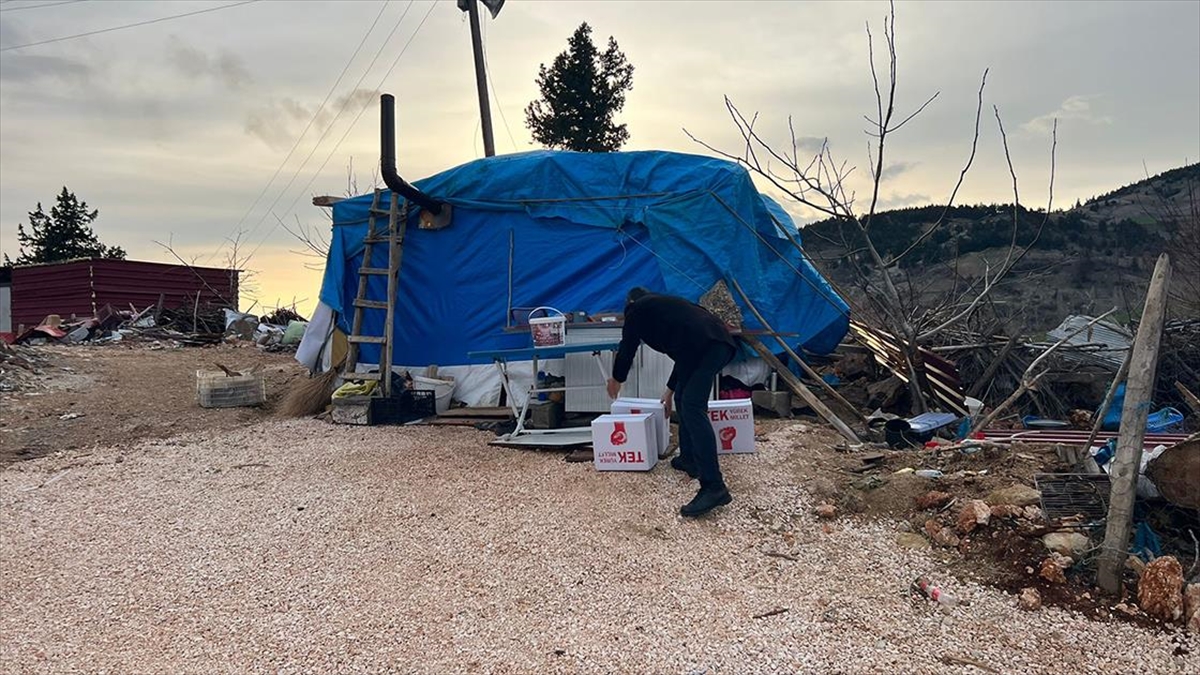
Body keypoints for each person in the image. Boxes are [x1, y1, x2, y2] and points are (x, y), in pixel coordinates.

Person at [606, 287, 738, 517]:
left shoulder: (637, 310)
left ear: (630, 304)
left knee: (693, 406)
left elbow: (627, 346)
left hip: (709, 348)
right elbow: (685, 354)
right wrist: (668, 391)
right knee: (681, 397)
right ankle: (689, 459)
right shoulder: (669, 310)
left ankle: (714, 486)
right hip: (711, 346)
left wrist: (617, 377)